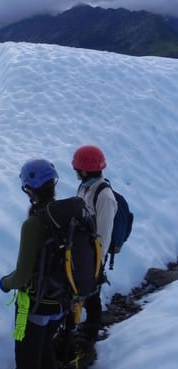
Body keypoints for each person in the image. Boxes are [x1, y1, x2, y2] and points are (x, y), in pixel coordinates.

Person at [0, 159, 66, 369]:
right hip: (61, 302)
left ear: (30, 188)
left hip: (34, 303)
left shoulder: (34, 224)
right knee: (44, 348)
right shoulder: (63, 214)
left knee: (26, 359)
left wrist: (5, 283)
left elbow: (23, 272)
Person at [72, 145, 117, 342]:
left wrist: (97, 261)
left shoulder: (104, 196)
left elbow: (104, 234)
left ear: (83, 170)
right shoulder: (84, 188)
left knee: (92, 292)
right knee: (83, 289)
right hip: (83, 251)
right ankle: (80, 327)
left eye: (76, 169)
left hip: (95, 254)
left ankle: (91, 332)